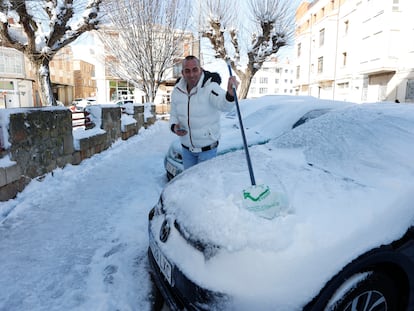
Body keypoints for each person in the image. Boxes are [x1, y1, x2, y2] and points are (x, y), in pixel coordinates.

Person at [169, 55, 239, 170]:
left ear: (200, 70)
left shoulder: (210, 87)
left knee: (205, 186)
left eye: (195, 70)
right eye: (187, 71)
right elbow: (173, 114)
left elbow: (223, 104)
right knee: (190, 183)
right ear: (182, 73)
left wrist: (230, 95)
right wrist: (174, 127)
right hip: (187, 150)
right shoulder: (177, 91)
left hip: (207, 151)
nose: (191, 74)